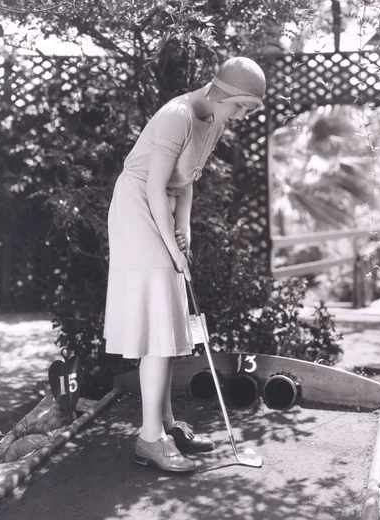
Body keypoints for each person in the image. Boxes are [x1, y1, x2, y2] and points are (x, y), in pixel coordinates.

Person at [103, 56, 266, 472]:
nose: (242, 116)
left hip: (165, 204)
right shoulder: (178, 116)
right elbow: (155, 186)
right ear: (219, 92)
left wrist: (185, 231)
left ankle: (167, 424)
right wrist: (171, 250)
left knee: (169, 317)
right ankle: (149, 438)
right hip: (139, 205)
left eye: (248, 109)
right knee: (158, 319)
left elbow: (186, 180)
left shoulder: (215, 119)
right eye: (241, 107)